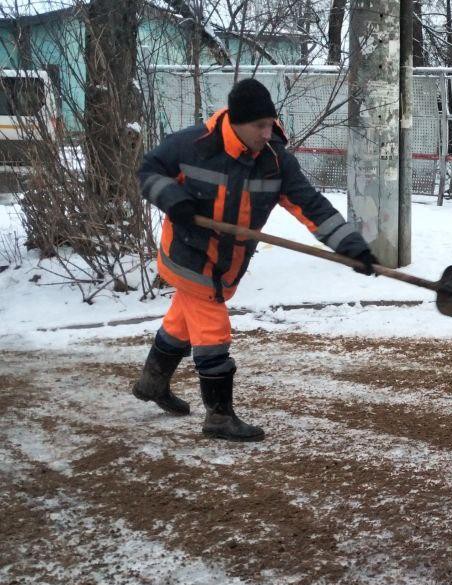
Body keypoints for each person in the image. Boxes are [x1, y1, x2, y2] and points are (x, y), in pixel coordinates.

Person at [133, 78, 379, 442]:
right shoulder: (194, 144)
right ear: (236, 121)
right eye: (259, 126)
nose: (268, 133)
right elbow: (148, 171)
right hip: (189, 253)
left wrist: (350, 247)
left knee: (181, 321)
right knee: (212, 331)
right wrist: (174, 199)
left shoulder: (275, 161)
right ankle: (218, 416)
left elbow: (312, 207)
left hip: (229, 261)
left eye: (271, 124)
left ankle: (152, 382)